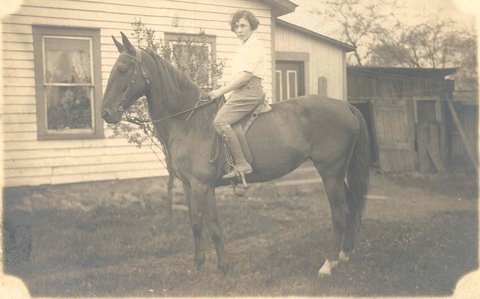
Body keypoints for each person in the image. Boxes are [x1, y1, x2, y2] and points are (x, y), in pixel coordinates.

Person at [209, 10, 268, 181]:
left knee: (220, 121)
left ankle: (242, 163)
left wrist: (220, 91)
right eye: (236, 27)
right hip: (242, 90)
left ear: (252, 26)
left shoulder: (253, 45)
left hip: (249, 90)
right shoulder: (244, 46)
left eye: (243, 26)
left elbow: (245, 76)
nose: (239, 30)